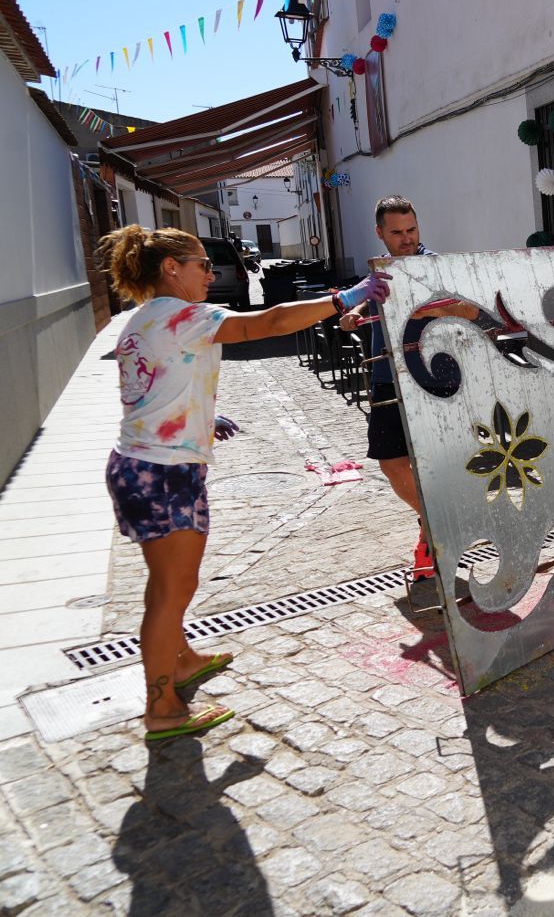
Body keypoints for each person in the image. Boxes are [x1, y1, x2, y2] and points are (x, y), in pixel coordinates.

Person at [101, 225, 390, 741]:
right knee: (171, 591)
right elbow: (269, 322)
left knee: (167, 585)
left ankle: (184, 659)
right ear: (172, 269)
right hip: (165, 473)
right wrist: (344, 297)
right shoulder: (187, 316)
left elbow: (152, 386)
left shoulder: (140, 320)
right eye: (202, 265)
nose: (211, 273)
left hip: (140, 464)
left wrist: (202, 416)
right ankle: (162, 707)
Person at [338, 197, 478, 581]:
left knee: (438, 466)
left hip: (436, 379)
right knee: (390, 462)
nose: (407, 239)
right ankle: (437, 524)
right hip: (386, 376)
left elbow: (473, 311)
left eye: (412, 230)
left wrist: (439, 309)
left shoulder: (436, 267)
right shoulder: (376, 274)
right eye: (397, 232)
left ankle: (432, 539)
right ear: (379, 233)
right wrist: (353, 317)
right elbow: (361, 311)